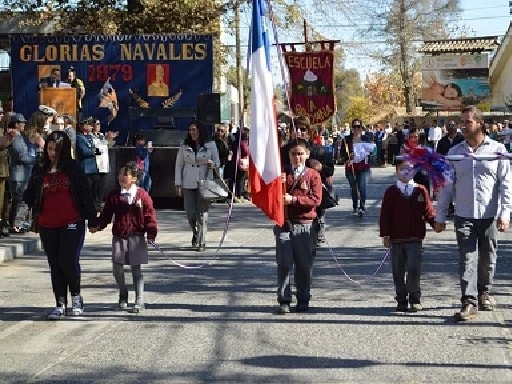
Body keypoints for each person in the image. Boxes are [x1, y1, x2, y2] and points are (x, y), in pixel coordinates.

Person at [434, 106, 512, 321]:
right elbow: (447, 186)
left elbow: (506, 185)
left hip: (489, 215)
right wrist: (440, 216)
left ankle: (484, 292)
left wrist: (505, 214)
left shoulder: (498, 150)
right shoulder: (455, 153)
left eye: (467, 122)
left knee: (488, 258)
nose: (462, 126)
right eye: (462, 122)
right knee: (467, 258)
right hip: (464, 214)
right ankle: (468, 301)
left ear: (479, 123)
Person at [23, 131, 97, 320]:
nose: (52, 153)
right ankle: (60, 303)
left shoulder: (73, 168)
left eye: (56, 150)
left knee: (68, 261)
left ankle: (76, 297)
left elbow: (85, 194)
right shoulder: (40, 169)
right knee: (54, 264)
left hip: (71, 221)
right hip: (48, 224)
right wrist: (29, 202)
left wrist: (93, 219)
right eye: (49, 149)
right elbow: (30, 193)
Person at [90, 161, 157, 313]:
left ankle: (139, 300)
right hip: (119, 236)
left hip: (137, 236)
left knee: (136, 270)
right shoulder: (114, 195)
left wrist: (151, 233)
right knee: (117, 268)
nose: (121, 177)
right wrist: (97, 226)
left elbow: (150, 216)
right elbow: (106, 215)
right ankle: (123, 292)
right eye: (120, 174)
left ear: (134, 178)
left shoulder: (142, 195)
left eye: (125, 174)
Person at [380, 160, 436, 312]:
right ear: (396, 171)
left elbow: (429, 211)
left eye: (410, 169)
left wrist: (435, 223)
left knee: (413, 268)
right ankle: (401, 299)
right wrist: (385, 234)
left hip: (415, 238)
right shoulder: (391, 192)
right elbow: (385, 214)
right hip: (396, 239)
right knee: (398, 270)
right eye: (402, 169)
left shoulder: (420, 190)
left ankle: (414, 298)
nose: (406, 172)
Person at [274, 138, 322, 314]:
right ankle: (284, 299)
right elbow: (272, 197)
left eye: (301, 154)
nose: (297, 157)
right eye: (294, 154)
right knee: (284, 263)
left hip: (305, 225)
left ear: (307, 155)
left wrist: (293, 199)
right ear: (289, 155)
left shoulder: (313, 175)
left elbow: (316, 200)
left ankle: (303, 298)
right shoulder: (282, 174)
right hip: (284, 224)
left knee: (303, 265)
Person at [174, 121, 220, 251]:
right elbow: (179, 165)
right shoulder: (184, 145)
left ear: (200, 130)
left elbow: (217, 162)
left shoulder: (211, 145)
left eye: (194, 130)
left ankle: (202, 240)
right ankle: (195, 233)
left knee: (202, 213)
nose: (192, 132)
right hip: (188, 182)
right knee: (190, 212)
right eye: (190, 130)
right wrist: (178, 183)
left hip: (204, 182)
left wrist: (212, 163)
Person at [339, 118, 375, 216]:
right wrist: (347, 158)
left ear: (361, 127)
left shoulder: (366, 138)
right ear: (352, 128)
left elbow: (371, 151)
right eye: (354, 126)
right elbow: (342, 153)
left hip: (364, 167)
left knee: (362, 187)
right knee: (354, 188)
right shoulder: (346, 139)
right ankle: (355, 206)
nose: (356, 128)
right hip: (351, 167)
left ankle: (362, 207)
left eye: (358, 126)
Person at [76, 117, 102, 212]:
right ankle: (87, 207)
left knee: (96, 188)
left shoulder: (90, 137)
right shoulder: (79, 137)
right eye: (88, 124)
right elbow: (84, 151)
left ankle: (96, 205)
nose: (91, 126)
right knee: (88, 189)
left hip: (94, 168)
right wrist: (95, 151)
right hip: (86, 168)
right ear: (83, 126)